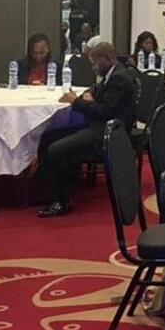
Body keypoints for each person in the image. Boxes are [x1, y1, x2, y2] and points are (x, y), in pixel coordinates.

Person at [35, 43, 136, 218]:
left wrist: (76, 102)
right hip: (96, 127)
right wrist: (90, 95)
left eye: (95, 63)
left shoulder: (119, 78)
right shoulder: (112, 74)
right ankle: (51, 190)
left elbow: (105, 111)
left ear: (107, 59)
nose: (93, 68)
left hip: (106, 134)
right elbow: (95, 90)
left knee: (56, 149)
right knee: (47, 137)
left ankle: (62, 201)